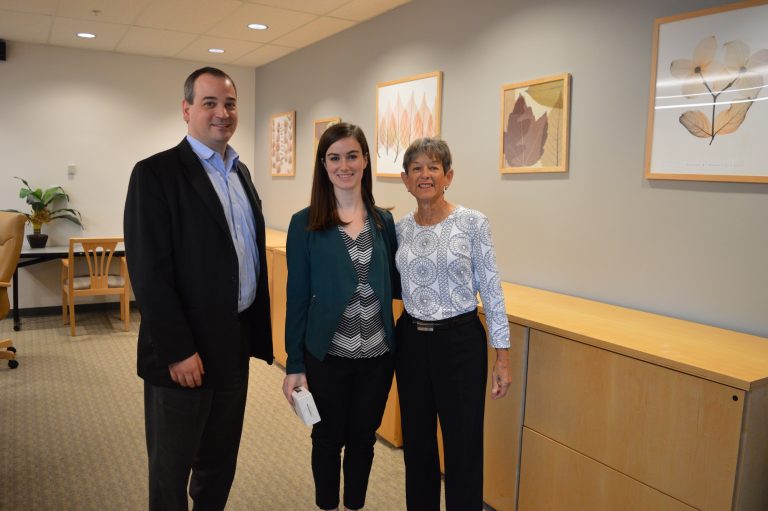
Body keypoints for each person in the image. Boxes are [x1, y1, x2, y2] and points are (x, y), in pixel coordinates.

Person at [124, 67, 272, 511]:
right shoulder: (155, 174)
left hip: (233, 343)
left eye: (229, 104)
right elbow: (150, 273)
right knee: (172, 470)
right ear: (187, 109)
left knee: (218, 462)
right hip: (184, 354)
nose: (221, 113)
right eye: (209, 103)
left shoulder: (240, 174)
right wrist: (176, 350)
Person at [282, 123, 399, 511]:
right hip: (327, 356)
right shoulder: (305, 224)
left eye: (352, 156)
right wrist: (294, 364)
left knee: (364, 439)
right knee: (328, 439)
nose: (344, 165)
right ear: (324, 164)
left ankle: (354, 505)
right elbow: (296, 298)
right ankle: (328, 506)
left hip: (377, 358)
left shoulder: (384, 222)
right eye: (335, 158)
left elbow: (395, 285)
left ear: (365, 160)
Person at [395, 137, 511, 511]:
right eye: (416, 168)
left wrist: (502, 357)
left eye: (433, 167)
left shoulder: (472, 223)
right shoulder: (399, 230)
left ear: (449, 176)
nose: (425, 174)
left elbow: (491, 289)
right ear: (405, 179)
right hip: (411, 342)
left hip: (459, 343)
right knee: (417, 443)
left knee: (463, 445)